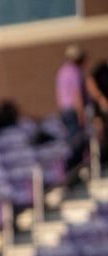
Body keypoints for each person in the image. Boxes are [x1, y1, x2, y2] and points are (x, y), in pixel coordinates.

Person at [56, 43, 88, 175]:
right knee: (77, 143)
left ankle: (74, 171)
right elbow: (77, 94)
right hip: (73, 111)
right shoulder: (75, 71)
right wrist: (81, 113)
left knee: (73, 141)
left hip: (65, 110)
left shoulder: (62, 71)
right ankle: (75, 172)